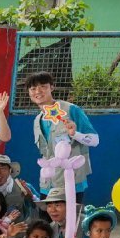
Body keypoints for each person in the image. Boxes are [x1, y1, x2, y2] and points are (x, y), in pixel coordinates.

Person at [27, 71, 98, 199]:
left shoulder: (71, 110)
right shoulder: (37, 120)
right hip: (47, 184)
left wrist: (75, 134)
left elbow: (95, 140)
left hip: (72, 181)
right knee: (47, 218)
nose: (38, 91)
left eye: (43, 86)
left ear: (52, 87)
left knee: (71, 218)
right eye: (33, 88)